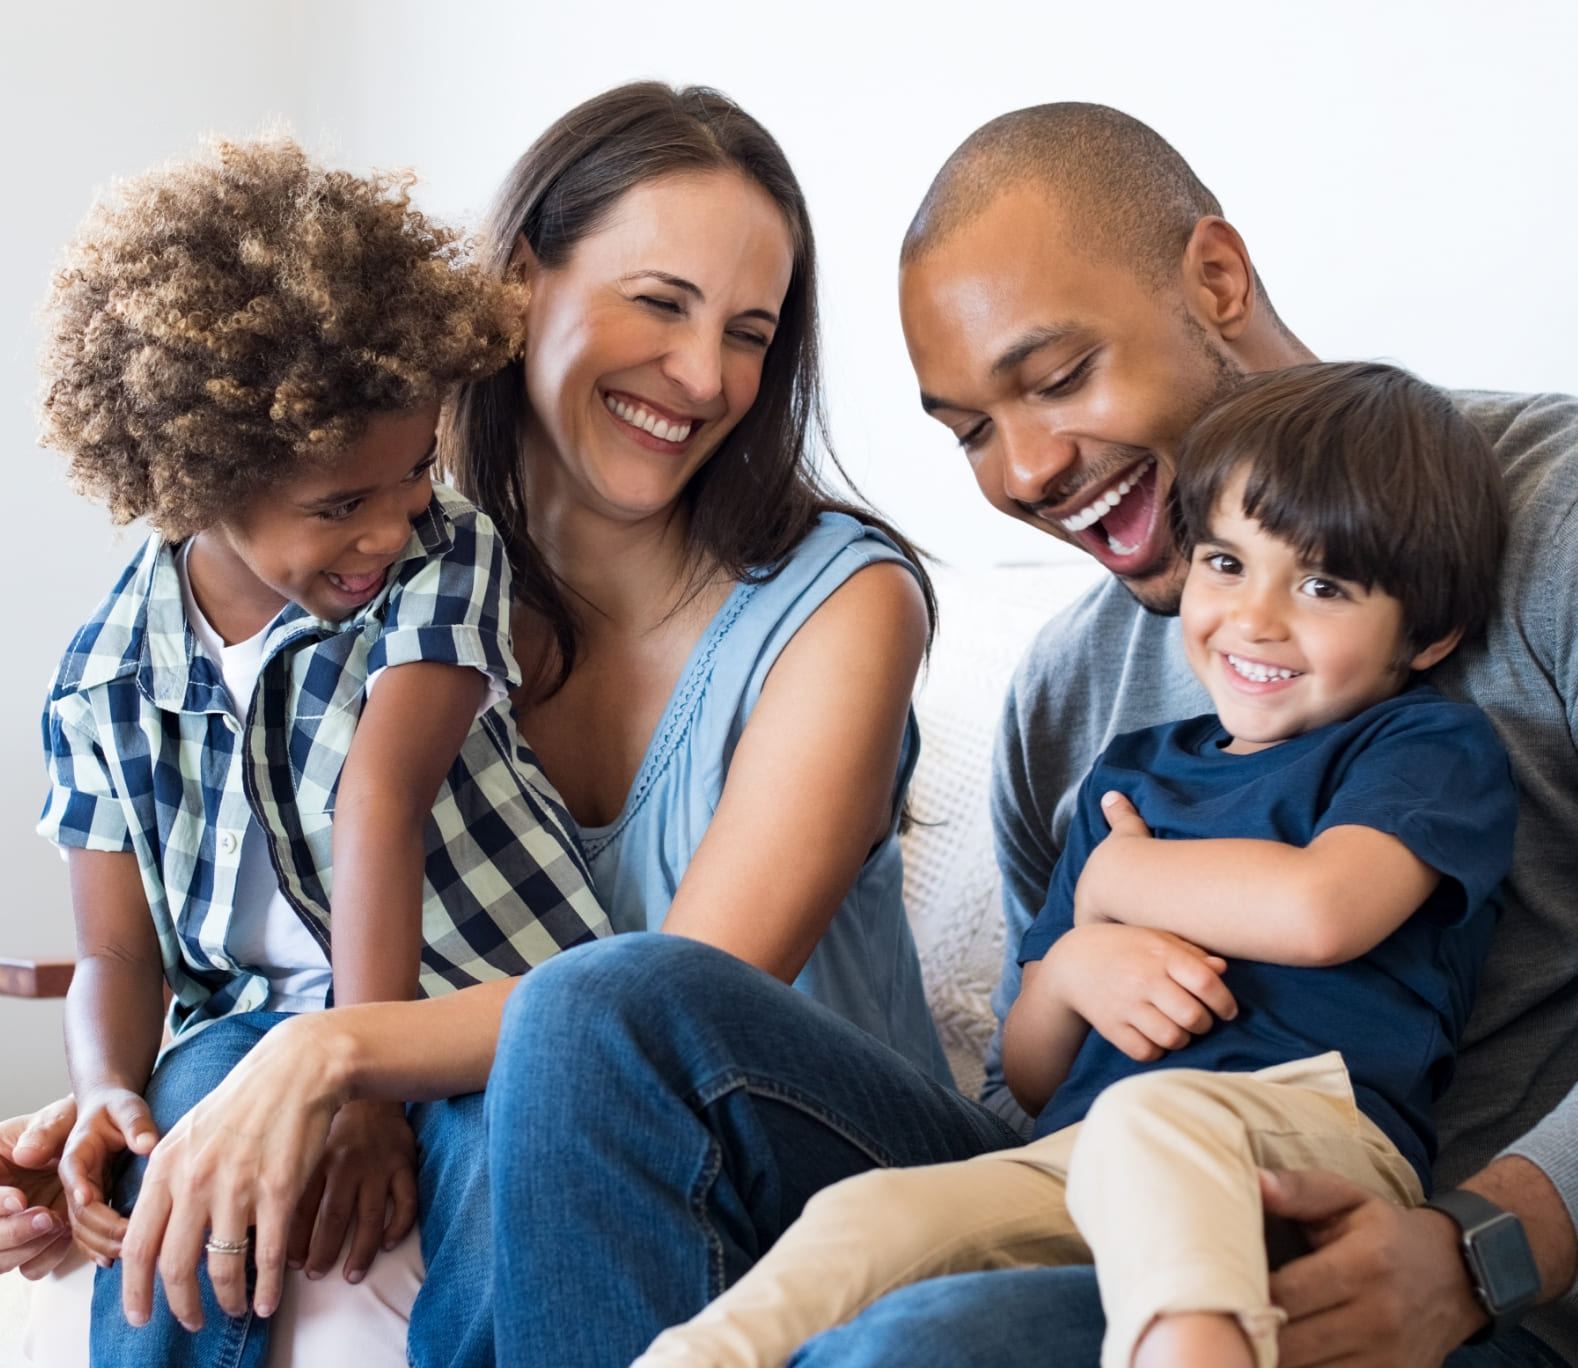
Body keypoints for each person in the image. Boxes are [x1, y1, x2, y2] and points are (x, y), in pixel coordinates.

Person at [477, 103, 1578, 1368]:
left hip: (1435, 1275)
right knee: (597, 1009)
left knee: (914, 1346)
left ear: (1214, 282)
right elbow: (1030, 1093)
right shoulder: (1069, 693)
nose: (1025, 471)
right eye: (968, 432)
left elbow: (1330, 912)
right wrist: (1068, 979)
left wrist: (1486, 1248)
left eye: (1057, 379)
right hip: (1097, 1188)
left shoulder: (1546, 510)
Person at [0, 81, 953, 1364]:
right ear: (516, 285)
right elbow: (249, 913)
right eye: (660, 302)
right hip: (502, 1109)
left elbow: (654, 1022)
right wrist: (138, 1110)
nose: (705, 374)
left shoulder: (843, 607)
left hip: (788, 1165)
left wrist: (334, 1055)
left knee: (550, 1091)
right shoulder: (367, 576)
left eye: (751, 333)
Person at [630, 360, 1518, 1368]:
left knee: (1154, 1119)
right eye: (1227, 564)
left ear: (1430, 633)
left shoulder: (1421, 747)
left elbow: (1324, 912)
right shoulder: (1127, 778)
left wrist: (1114, 887)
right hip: (1084, 1150)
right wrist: (1076, 971)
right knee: (869, 1214)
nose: (1256, 618)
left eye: (1320, 586)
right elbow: (1035, 1069)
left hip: (1311, 1134)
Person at [32, 133, 611, 1367]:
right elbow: (111, 948)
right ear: (197, 483)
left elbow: (379, 804)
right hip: (243, 1023)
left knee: (515, 1158)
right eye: (340, 506)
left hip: (472, 997)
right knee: (176, 1153)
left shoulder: (445, 556)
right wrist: (105, 1093)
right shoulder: (103, 674)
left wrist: (364, 1086)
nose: (389, 528)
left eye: (412, 473)